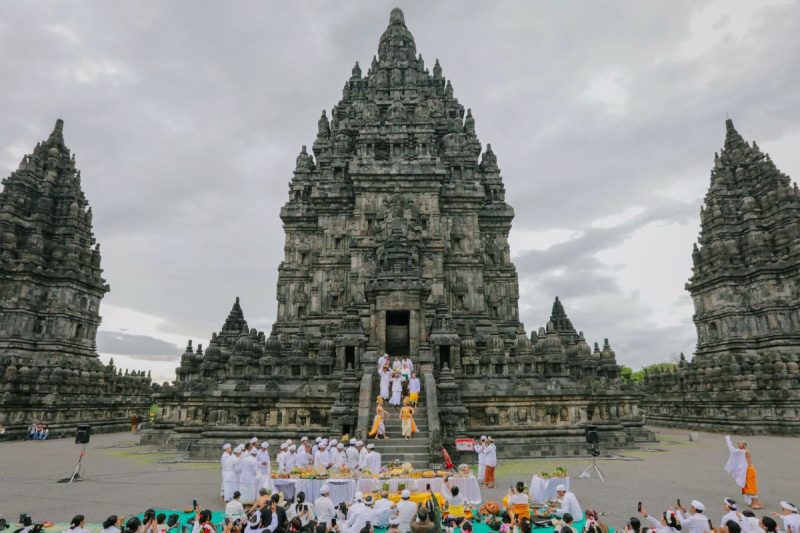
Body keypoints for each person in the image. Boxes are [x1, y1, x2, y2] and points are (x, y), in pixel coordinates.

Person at [724, 436, 763, 509]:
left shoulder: (743, 451)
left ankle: (755, 502)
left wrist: (728, 440)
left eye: (740, 443)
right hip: (748, 469)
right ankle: (752, 502)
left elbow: (732, 450)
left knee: (750, 486)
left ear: (744, 445)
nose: (738, 445)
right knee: (747, 486)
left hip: (749, 470)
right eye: (738, 443)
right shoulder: (742, 451)